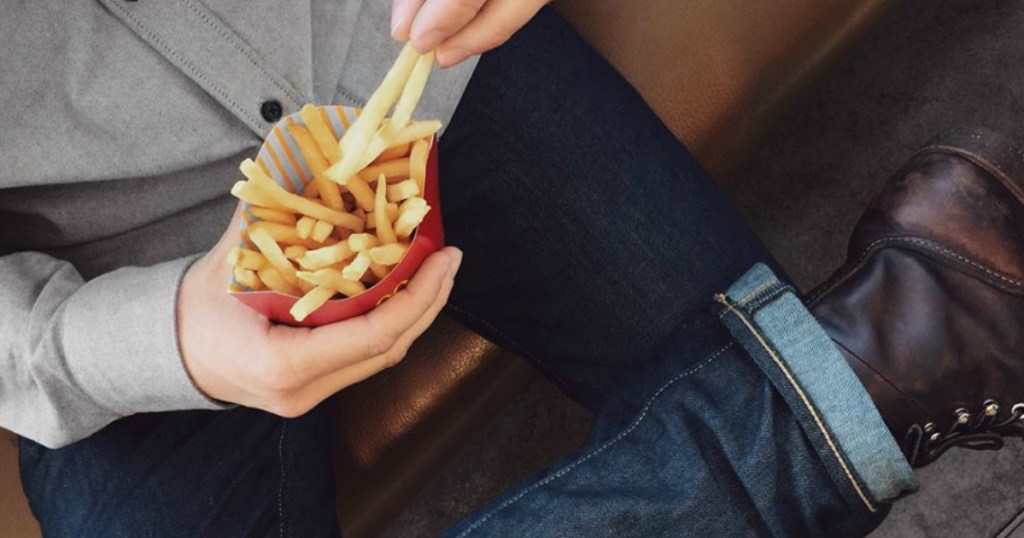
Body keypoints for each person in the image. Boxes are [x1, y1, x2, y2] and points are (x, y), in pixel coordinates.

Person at [2, 1, 1021, 536]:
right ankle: (886, 352)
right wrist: (142, 340)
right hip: (115, 278)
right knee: (783, 388)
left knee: (740, 371)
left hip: (429, 59)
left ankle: (875, 364)